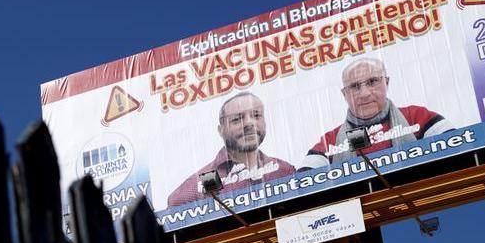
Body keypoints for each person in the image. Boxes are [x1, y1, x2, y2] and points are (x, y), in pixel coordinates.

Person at [302, 57, 451, 168]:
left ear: (386, 83)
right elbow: (303, 183)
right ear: (344, 94)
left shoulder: (417, 117)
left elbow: (459, 146)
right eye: (354, 86)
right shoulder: (331, 141)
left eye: (372, 82)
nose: (364, 93)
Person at [166, 92, 296, 207]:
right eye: (236, 119)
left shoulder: (284, 171)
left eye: (256, 115)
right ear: (221, 130)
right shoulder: (197, 187)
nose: (249, 123)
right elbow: (175, 204)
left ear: (265, 123)